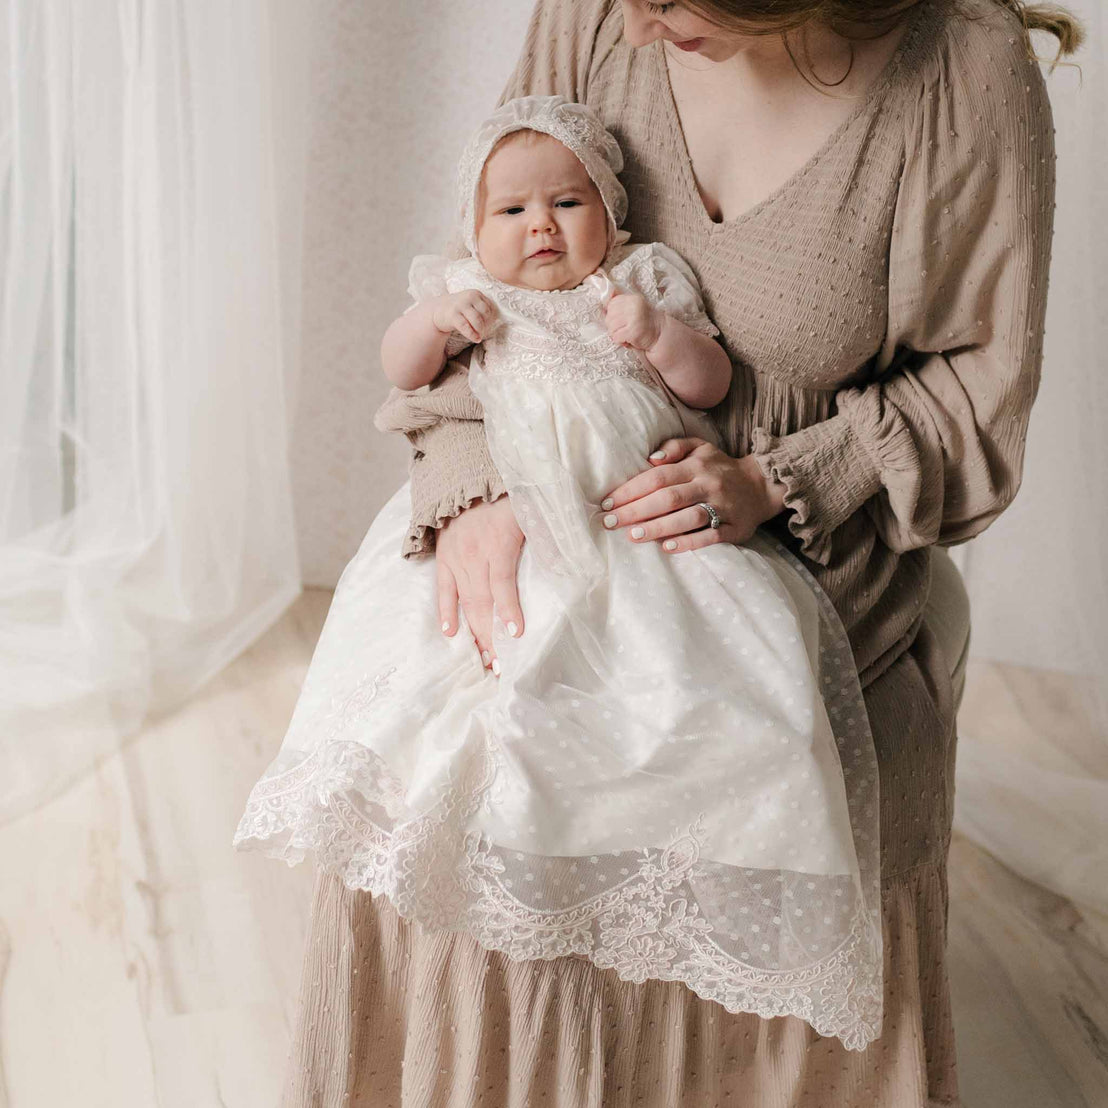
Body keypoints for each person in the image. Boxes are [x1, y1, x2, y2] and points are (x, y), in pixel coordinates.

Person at [278, 0, 1081, 1104]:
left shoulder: (961, 73)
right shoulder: (600, 10)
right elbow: (484, 286)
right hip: (549, 515)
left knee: (712, 739)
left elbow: (973, 405)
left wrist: (772, 481)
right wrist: (469, 488)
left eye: (677, 0)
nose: (639, 28)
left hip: (802, 560)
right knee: (432, 738)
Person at [235, 91, 888, 1052]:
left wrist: (660, 336)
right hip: (517, 513)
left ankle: (674, 833)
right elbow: (402, 371)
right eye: (511, 211)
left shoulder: (637, 283)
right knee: (473, 647)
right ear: (473, 229)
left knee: (685, 656)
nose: (540, 225)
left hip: (630, 512)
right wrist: (435, 323)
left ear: (612, 215)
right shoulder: (469, 294)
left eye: (567, 203)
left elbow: (709, 385)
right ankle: (479, 829)